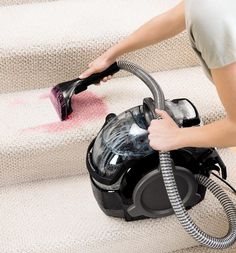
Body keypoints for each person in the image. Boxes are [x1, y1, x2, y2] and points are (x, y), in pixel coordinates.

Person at [79, 0, 236, 153]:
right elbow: (174, 19)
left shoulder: (212, 18)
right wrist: (111, 54)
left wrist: (178, 136)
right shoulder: (206, 9)